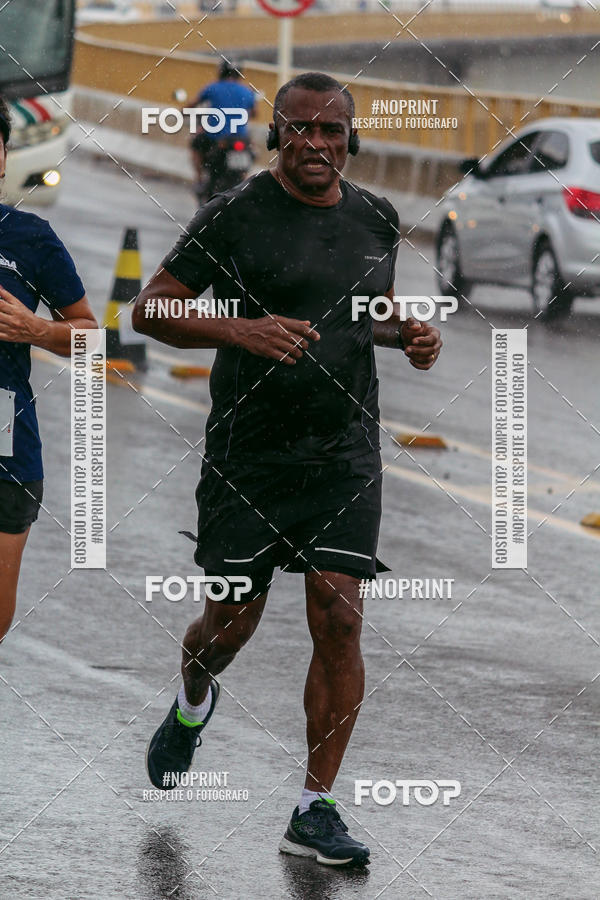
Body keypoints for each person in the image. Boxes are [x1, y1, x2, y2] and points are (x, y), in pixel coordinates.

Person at [133, 72, 442, 868]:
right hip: (250, 456)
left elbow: (359, 312)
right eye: (299, 129)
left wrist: (405, 332)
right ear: (276, 136)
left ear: (351, 138)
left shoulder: (376, 217)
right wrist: (242, 330)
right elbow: (151, 307)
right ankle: (195, 698)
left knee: (340, 619)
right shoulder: (234, 215)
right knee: (230, 623)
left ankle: (314, 809)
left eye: (331, 130)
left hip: (343, 453)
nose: (316, 144)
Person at [0, 96, 97, 642]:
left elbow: (92, 341)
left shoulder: (31, 238)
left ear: (4, 157)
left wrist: (37, 331)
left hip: (6, 435)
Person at [189, 60, 256, 196]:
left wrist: (181, 111)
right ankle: (242, 180)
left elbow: (193, 103)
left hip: (217, 138)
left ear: (221, 72)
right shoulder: (248, 91)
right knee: (251, 152)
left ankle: (199, 179)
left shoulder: (212, 88)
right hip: (240, 138)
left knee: (195, 143)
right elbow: (254, 113)